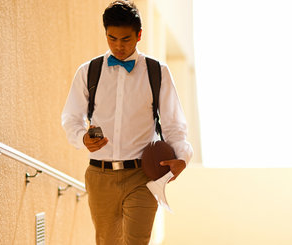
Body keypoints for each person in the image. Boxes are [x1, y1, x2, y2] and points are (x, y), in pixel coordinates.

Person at [61, 1, 193, 244]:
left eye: (126, 39)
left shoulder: (157, 72)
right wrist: (82, 138)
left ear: (139, 35)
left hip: (142, 176)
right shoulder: (89, 71)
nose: (119, 46)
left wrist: (182, 156)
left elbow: (174, 124)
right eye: (112, 38)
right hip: (99, 175)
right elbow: (71, 117)